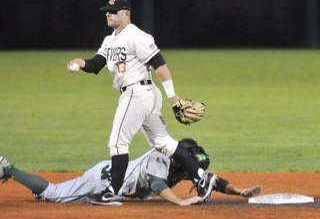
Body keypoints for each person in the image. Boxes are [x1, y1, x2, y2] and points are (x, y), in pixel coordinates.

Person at [66, 0, 214, 205]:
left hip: (138, 94)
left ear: (126, 13)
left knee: (118, 143)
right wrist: (80, 63)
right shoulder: (110, 40)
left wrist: (173, 99)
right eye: (107, 11)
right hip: (140, 94)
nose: (108, 13)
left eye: (114, 11)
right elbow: (96, 64)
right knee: (163, 142)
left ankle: (111, 193)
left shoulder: (136, 35)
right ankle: (201, 176)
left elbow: (160, 65)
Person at [0, 139, 261, 206]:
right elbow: (158, 185)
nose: (195, 170)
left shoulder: (180, 164)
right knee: (53, 193)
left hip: (112, 176)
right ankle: (7, 168)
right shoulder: (160, 158)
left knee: (61, 194)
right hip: (103, 180)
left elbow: (211, 180)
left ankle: (38, 189)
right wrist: (181, 201)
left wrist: (239, 191)